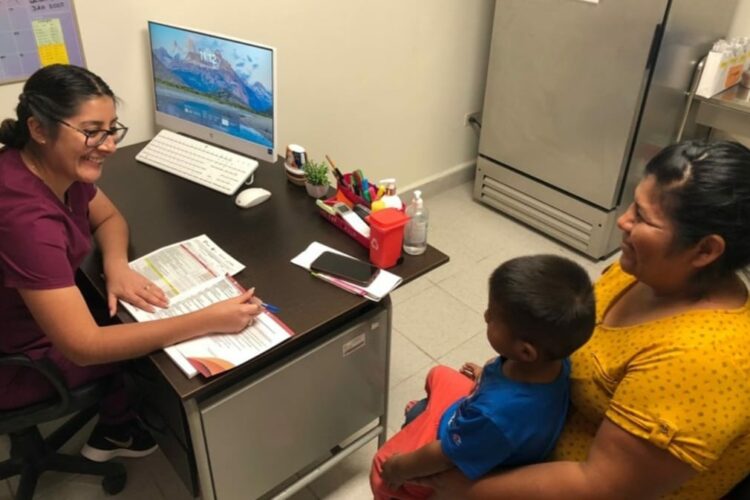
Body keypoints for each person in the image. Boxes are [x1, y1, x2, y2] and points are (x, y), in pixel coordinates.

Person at [415, 140, 750, 499]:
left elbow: (601, 486)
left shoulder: (706, 361)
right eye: (632, 204)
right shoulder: (642, 273)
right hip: (532, 425)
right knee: (425, 414)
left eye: (642, 217)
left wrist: (466, 489)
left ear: (705, 250)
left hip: (556, 479)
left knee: (403, 468)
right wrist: (506, 376)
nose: (623, 221)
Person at [0, 64, 263, 462]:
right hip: (22, 364)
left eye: (112, 130)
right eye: (92, 131)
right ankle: (117, 430)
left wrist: (117, 266)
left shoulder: (52, 167)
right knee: (151, 359)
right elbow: (84, 346)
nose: (108, 146)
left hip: (36, 319)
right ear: (38, 129)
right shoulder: (25, 220)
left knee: (127, 313)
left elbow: (109, 218)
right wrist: (207, 320)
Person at [370, 255, 596, 499]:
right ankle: (424, 414)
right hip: (475, 417)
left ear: (525, 351)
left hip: (458, 446)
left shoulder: (495, 416)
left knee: (381, 470)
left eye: (494, 316)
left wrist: (399, 468)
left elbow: (445, 455)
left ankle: (421, 421)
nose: (486, 316)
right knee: (439, 373)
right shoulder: (555, 361)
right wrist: (487, 374)